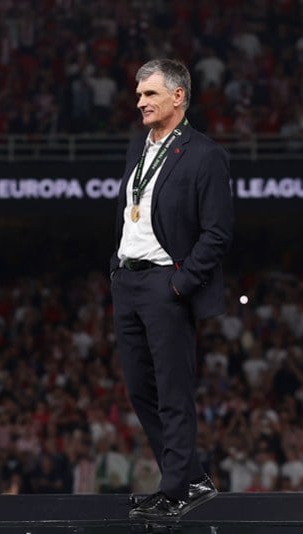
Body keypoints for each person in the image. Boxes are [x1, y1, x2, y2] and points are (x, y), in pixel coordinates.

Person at [109, 59, 234, 521]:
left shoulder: (204, 155)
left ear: (178, 96)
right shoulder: (138, 147)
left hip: (166, 283)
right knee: (140, 389)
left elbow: (217, 233)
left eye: (150, 94)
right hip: (128, 281)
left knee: (172, 391)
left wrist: (180, 283)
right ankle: (189, 479)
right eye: (139, 94)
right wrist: (116, 270)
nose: (140, 103)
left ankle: (176, 489)